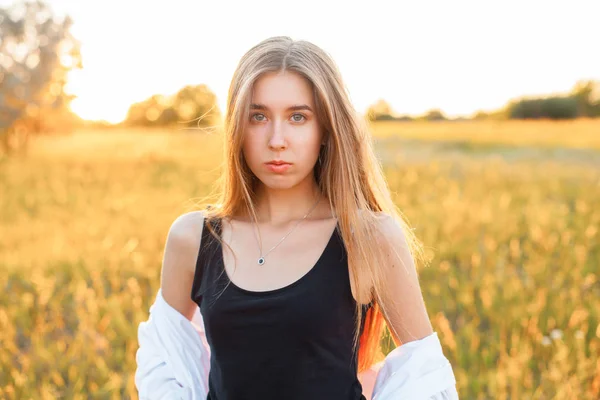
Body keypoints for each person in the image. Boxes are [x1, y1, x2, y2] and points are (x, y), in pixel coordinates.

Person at [135, 36, 459, 399]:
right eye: (258, 116)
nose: (277, 139)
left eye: (298, 117)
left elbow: (424, 380)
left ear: (326, 130)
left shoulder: (368, 237)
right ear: (237, 129)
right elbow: (163, 368)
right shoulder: (193, 238)